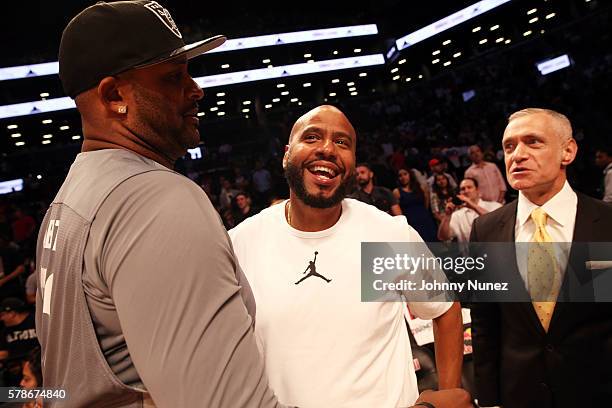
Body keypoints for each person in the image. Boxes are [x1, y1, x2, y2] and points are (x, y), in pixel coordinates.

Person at [35, 2, 284, 406]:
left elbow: (427, 300)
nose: (196, 89)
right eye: (173, 77)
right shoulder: (157, 202)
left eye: (343, 140)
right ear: (114, 95)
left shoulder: (67, 203)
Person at [230, 105, 465, 407]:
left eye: (342, 142)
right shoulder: (242, 243)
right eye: (312, 137)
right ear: (287, 154)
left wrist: (447, 395)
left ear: (353, 164)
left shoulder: (386, 234)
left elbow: (444, 309)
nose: (327, 149)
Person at [470, 108, 612, 408]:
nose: (517, 155)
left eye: (533, 142)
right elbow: (485, 324)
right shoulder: (485, 230)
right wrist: (488, 399)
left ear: (568, 151)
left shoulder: (606, 222)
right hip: (519, 394)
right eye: (509, 146)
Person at [437, 177, 501, 245]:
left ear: (477, 190)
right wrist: (447, 216)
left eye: (469, 187)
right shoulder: (457, 215)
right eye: (463, 189)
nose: (466, 191)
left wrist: (473, 206)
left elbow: (495, 224)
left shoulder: (495, 206)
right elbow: (443, 237)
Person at [393, 168, 438, 242]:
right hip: (411, 222)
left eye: (405, 174)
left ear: (410, 175)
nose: (403, 177)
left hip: (425, 218)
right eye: (400, 175)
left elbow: (426, 202)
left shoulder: (420, 187)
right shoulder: (397, 192)